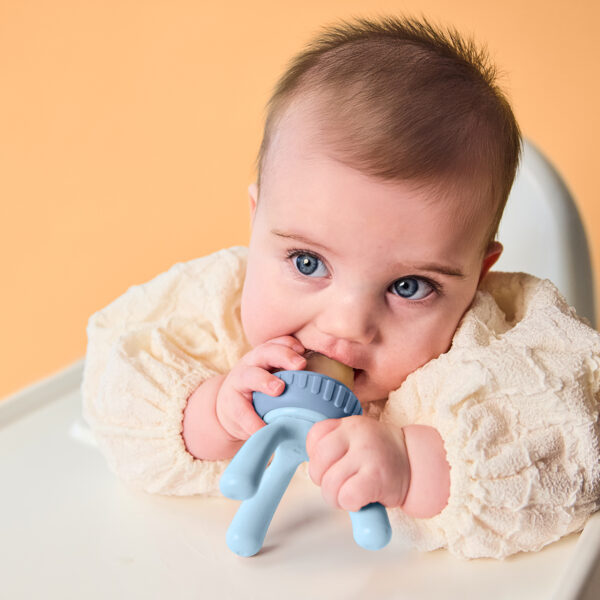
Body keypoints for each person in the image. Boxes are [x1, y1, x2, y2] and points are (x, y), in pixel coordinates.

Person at [82, 15, 600, 559]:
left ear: (478, 276)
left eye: (408, 286)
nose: (347, 324)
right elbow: (114, 389)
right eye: (308, 263)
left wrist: (417, 465)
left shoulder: (502, 345)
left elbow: (576, 446)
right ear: (257, 223)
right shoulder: (216, 303)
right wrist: (211, 414)